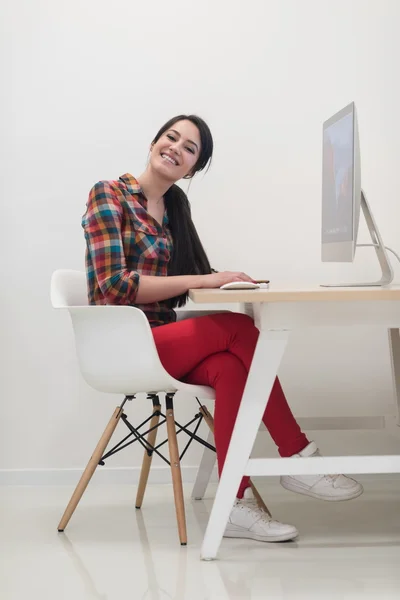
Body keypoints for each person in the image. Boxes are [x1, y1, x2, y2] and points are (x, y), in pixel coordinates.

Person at [82, 114, 363, 544]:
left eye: (189, 148)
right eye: (171, 137)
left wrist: (223, 278)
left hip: (159, 339)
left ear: (193, 168)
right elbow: (116, 286)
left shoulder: (175, 207)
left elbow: (191, 273)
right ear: (155, 141)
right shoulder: (109, 195)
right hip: (121, 344)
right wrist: (203, 281)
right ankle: (298, 455)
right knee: (239, 329)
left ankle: (236, 503)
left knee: (231, 367)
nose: (176, 148)